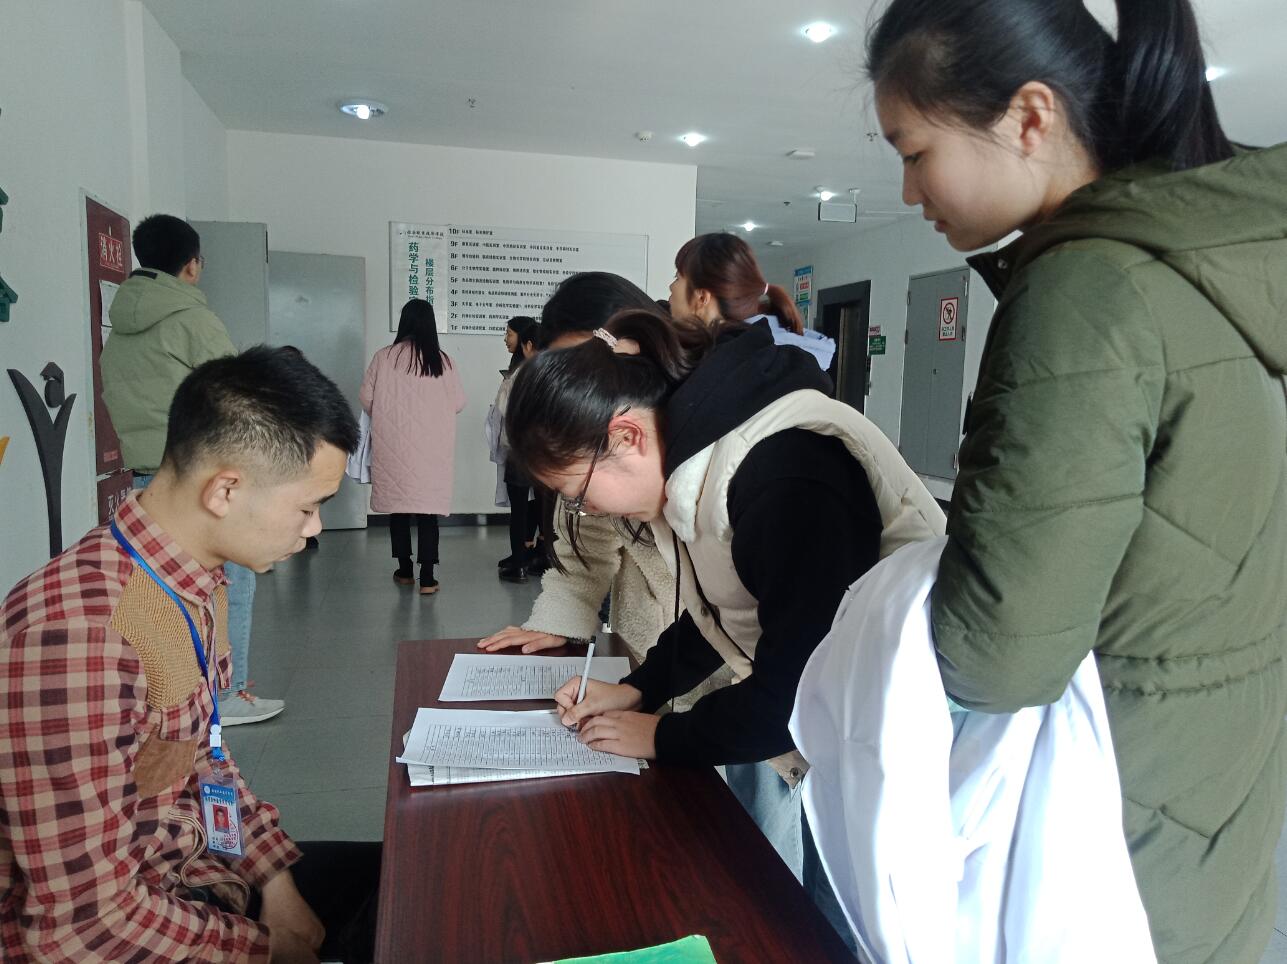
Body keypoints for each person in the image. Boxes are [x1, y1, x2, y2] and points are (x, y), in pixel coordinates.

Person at [865, 0, 1287, 959]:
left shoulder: (1085, 290)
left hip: (1105, 830)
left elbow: (999, 655)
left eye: (915, 152)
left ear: (1029, 116)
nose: (907, 190)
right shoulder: (1199, 267)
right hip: (1206, 787)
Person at [504, 309, 943, 948]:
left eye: (577, 493)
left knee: (862, 931)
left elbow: (797, 697)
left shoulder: (781, 471)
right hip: (847, 734)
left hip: (907, 740)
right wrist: (638, 690)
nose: (587, 510)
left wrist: (661, 735)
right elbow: (722, 610)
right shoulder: (704, 462)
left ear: (625, 435)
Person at [0, 347, 382, 963]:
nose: (313, 529)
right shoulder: (83, 637)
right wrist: (265, 949)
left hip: (191, 870)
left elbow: (203, 752)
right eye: (307, 507)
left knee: (406, 883)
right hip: (122, 930)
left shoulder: (192, 579)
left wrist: (274, 880)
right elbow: (85, 932)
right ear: (225, 490)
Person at [101, 213, 282, 725]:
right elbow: (236, 396)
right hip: (201, 475)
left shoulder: (119, 328)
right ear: (192, 265)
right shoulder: (192, 320)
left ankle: (173, 699)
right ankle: (226, 694)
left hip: (147, 480)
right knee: (228, 589)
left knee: (162, 595)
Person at [479, 274, 683, 669]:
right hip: (646, 663)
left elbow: (735, 628)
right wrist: (558, 619)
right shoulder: (596, 460)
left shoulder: (722, 464)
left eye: (595, 365)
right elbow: (582, 547)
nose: (582, 395)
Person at [360, 299, 465, 595]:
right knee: (428, 511)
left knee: (398, 510)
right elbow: (458, 403)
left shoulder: (384, 357)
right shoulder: (442, 361)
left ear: (404, 321)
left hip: (393, 444)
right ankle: (428, 578)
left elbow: (366, 398)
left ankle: (405, 570)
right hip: (432, 448)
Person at [671, 232, 836, 371]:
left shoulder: (731, 367)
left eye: (677, 278)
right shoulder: (776, 355)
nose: (671, 287)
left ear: (702, 298)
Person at [491, 316, 543, 583]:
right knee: (544, 508)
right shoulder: (552, 373)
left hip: (520, 451)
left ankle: (519, 564)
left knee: (519, 509)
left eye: (509, 334)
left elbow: (503, 410)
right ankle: (543, 558)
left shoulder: (518, 376)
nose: (505, 338)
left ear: (528, 344)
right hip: (547, 454)